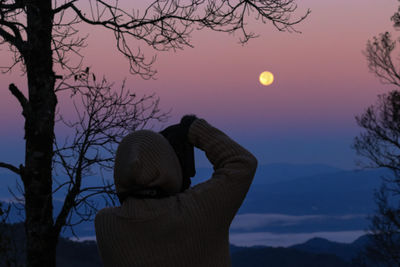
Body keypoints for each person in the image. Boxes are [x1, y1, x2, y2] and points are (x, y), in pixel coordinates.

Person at [95, 116, 258, 267]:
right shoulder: (199, 211)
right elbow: (242, 163)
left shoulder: (106, 224)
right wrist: (192, 128)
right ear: (168, 168)